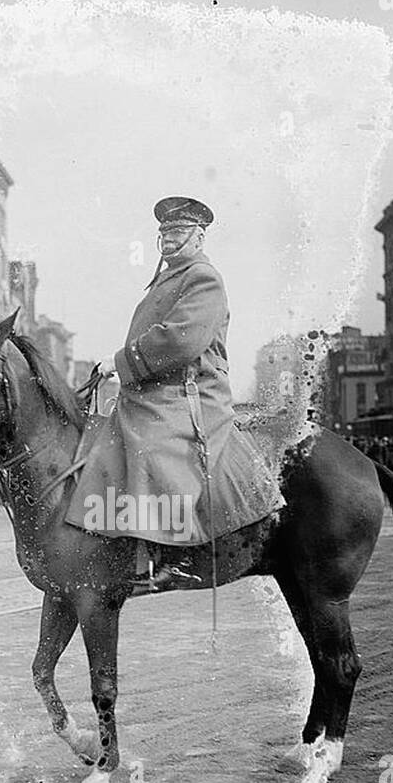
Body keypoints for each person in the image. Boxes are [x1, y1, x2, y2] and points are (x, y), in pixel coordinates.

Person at [63, 196, 285, 588]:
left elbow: (181, 340)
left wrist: (119, 361)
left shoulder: (203, 277)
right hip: (156, 390)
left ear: (199, 237)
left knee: (151, 445)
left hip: (191, 394)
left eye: (178, 231)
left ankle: (174, 556)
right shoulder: (169, 277)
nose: (168, 238)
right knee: (107, 436)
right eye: (164, 231)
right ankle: (117, 544)